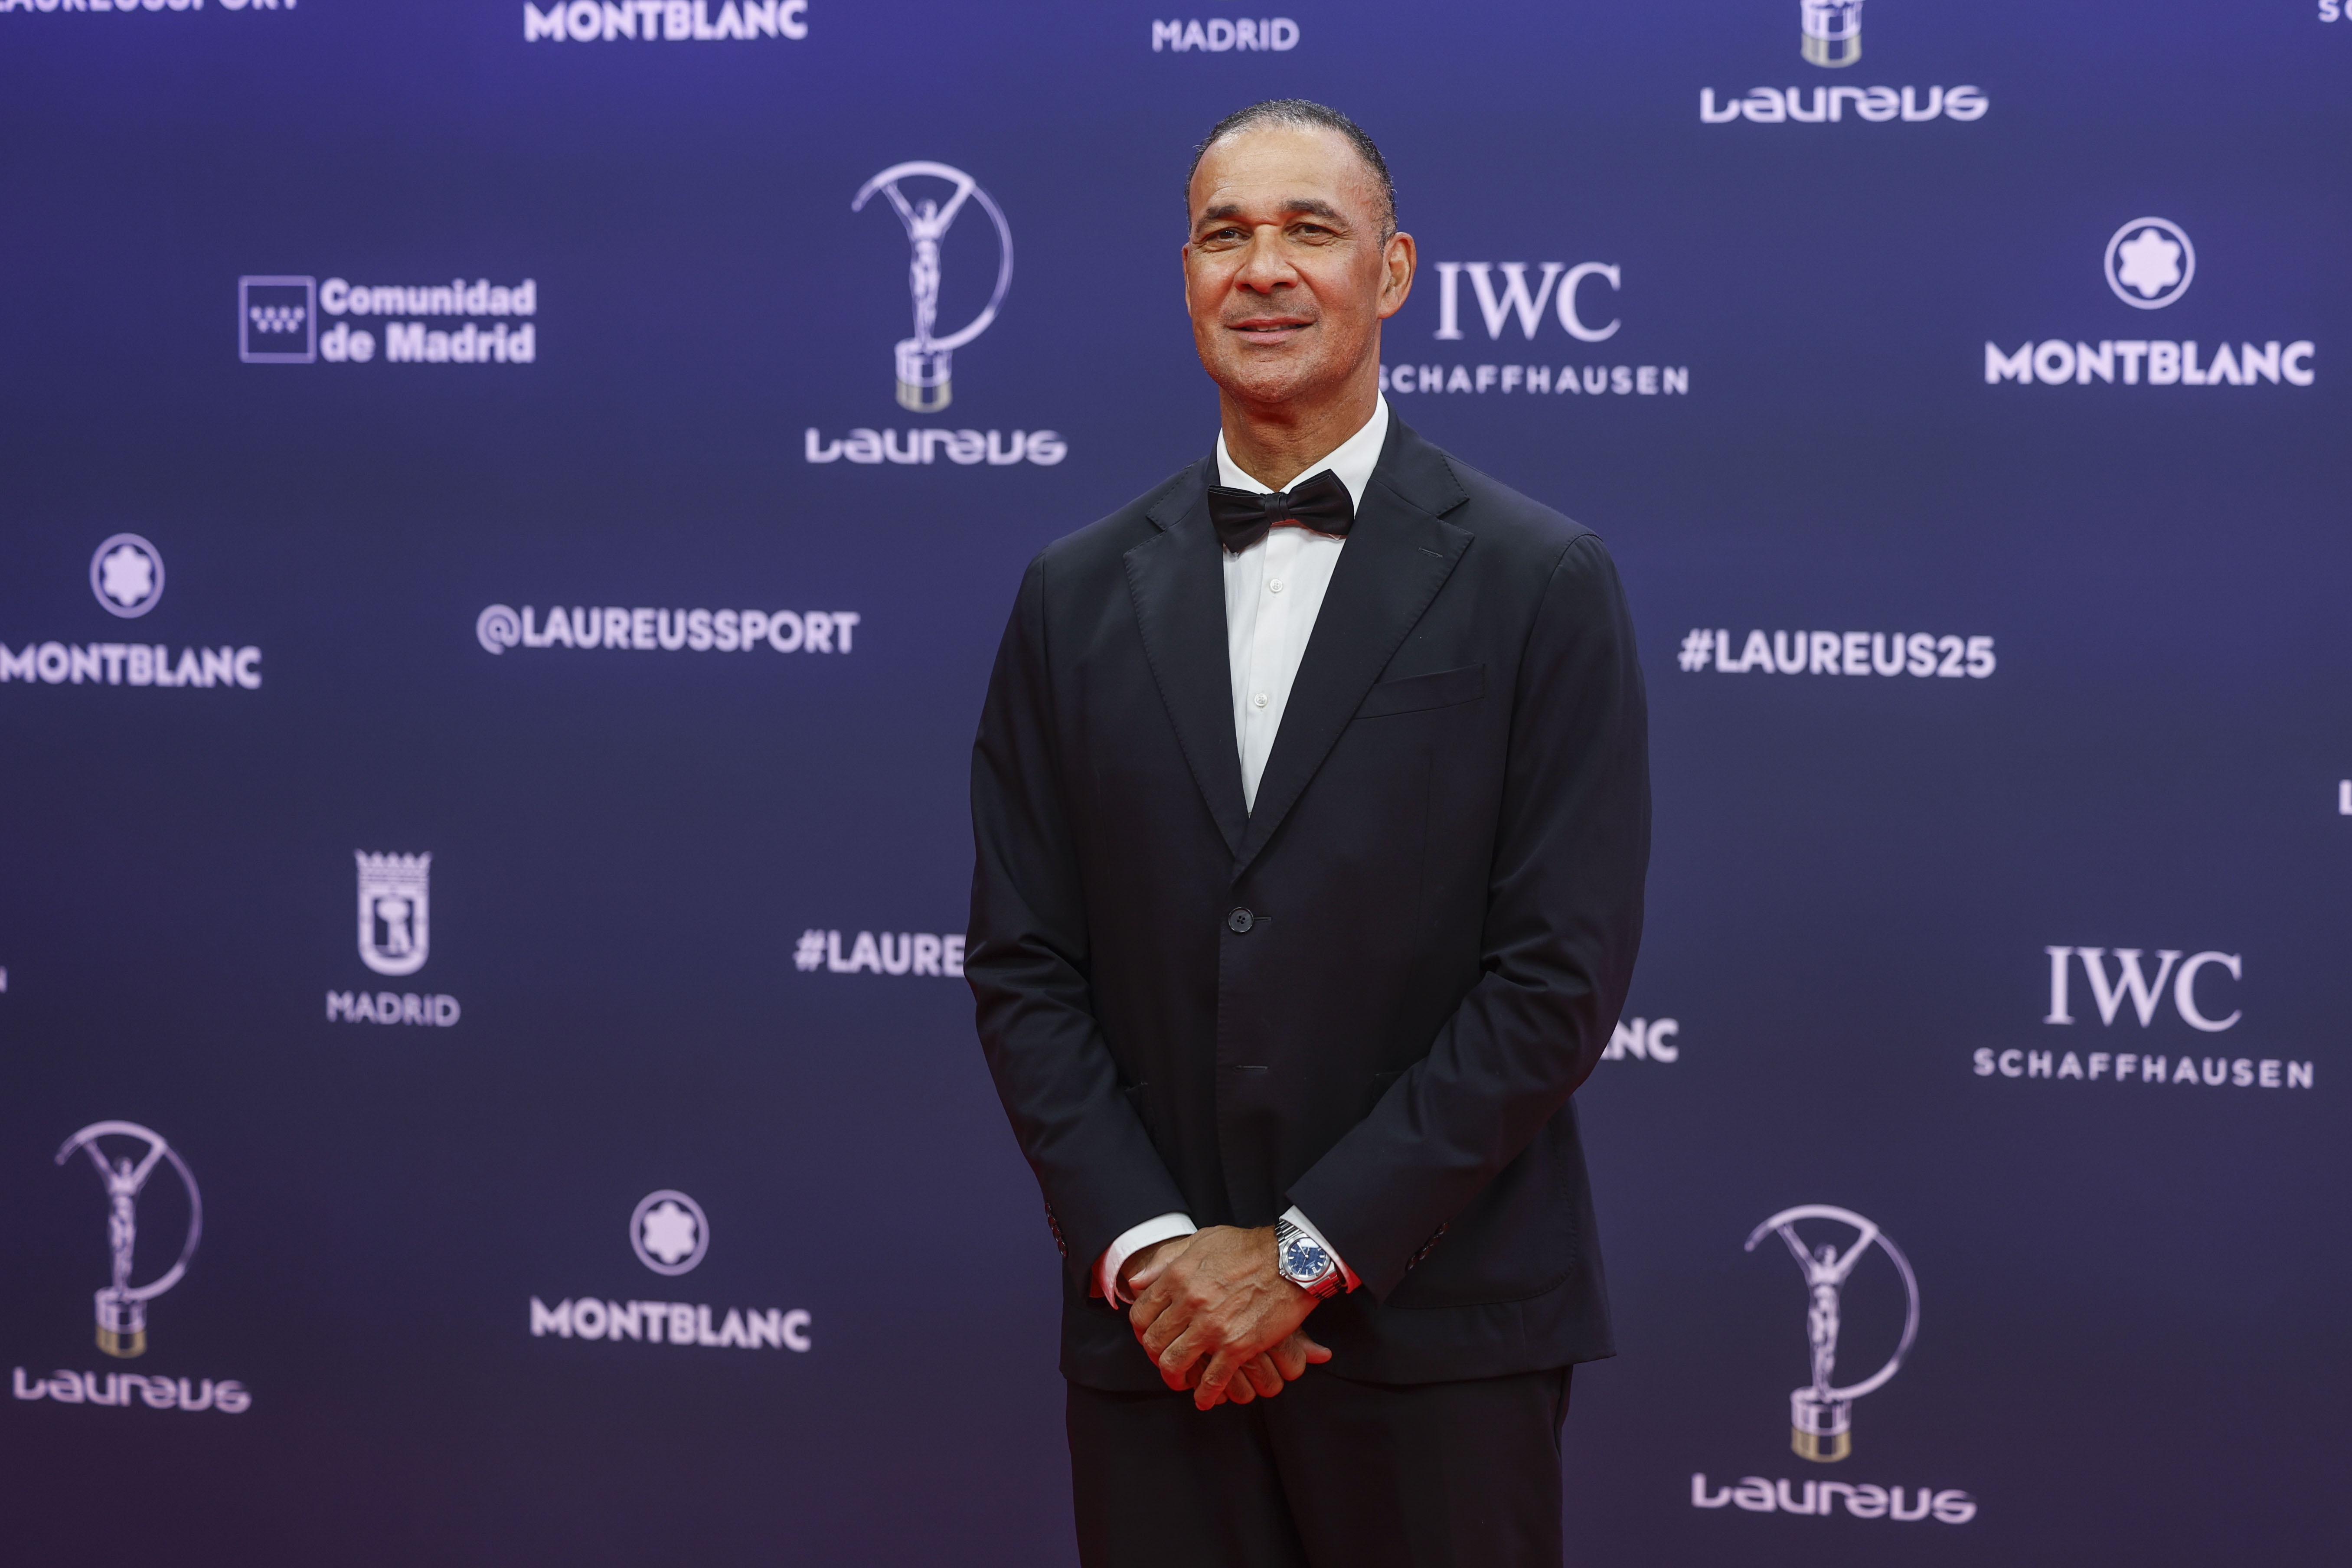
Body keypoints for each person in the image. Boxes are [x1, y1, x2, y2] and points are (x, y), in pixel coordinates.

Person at [966, 98, 1650, 1568]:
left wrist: (1296, 1256)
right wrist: (1156, 1254)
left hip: (1438, 1339)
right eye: (1225, 234)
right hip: (1159, 1347)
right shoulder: (1072, 594)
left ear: (1391, 274)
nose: (1262, 268)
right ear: (1188, 277)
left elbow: (1558, 976)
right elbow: (1024, 963)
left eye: (1309, 230)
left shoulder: (1541, 579)